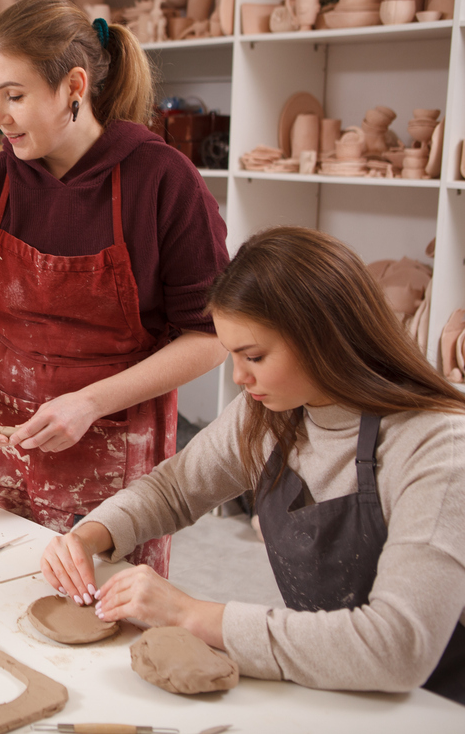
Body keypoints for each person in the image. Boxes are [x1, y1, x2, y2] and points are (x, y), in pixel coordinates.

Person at [41, 227, 465, 702]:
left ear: (325, 337)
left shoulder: (437, 443)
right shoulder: (268, 413)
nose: (240, 378)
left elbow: (399, 648)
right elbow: (174, 490)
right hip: (331, 682)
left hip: (434, 705)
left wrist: (191, 614)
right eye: (233, 356)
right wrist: (88, 535)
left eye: (255, 356)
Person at [0, 0, 229, 575]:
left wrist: (91, 402)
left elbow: (212, 337)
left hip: (113, 448)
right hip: (1, 443)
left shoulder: (163, 180)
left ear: (74, 86)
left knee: (98, 617)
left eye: (14, 95)